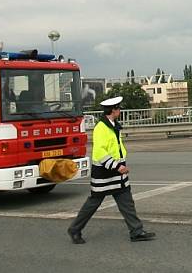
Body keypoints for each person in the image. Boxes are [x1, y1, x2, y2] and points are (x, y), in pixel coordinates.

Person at [67, 96, 156, 244]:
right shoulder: (101, 128)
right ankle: (75, 229)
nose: (120, 110)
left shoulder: (113, 125)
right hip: (105, 172)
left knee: (127, 201)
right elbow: (100, 152)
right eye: (118, 108)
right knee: (93, 203)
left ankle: (136, 231)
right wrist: (117, 166)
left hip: (117, 172)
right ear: (113, 110)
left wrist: (119, 165)